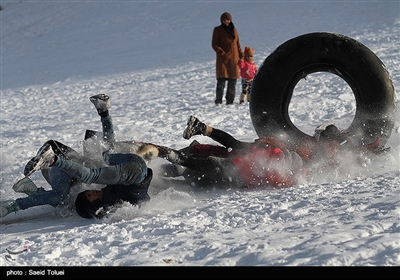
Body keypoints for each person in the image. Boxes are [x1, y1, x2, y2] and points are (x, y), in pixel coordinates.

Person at [0, 94, 153, 219]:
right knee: (80, 181)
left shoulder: (108, 198)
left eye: (88, 194)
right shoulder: (112, 202)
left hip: (136, 170)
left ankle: (104, 112)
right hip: (134, 174)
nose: (91, 192)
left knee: (107, 155)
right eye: (90, 196)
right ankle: (47, 167)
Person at [212, 12, 243, 105]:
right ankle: (218, 100)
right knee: (221, 80)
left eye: (228, 20)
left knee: (232, 81)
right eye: (225, 20)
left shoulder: (234, 30)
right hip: (223, 59)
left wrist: (241, 55)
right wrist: (221, 52)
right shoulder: (218, 30)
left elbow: (237, 44)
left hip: (233, 59)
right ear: (221, 20)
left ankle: (230, 101)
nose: (226, 22)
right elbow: (214, 44)